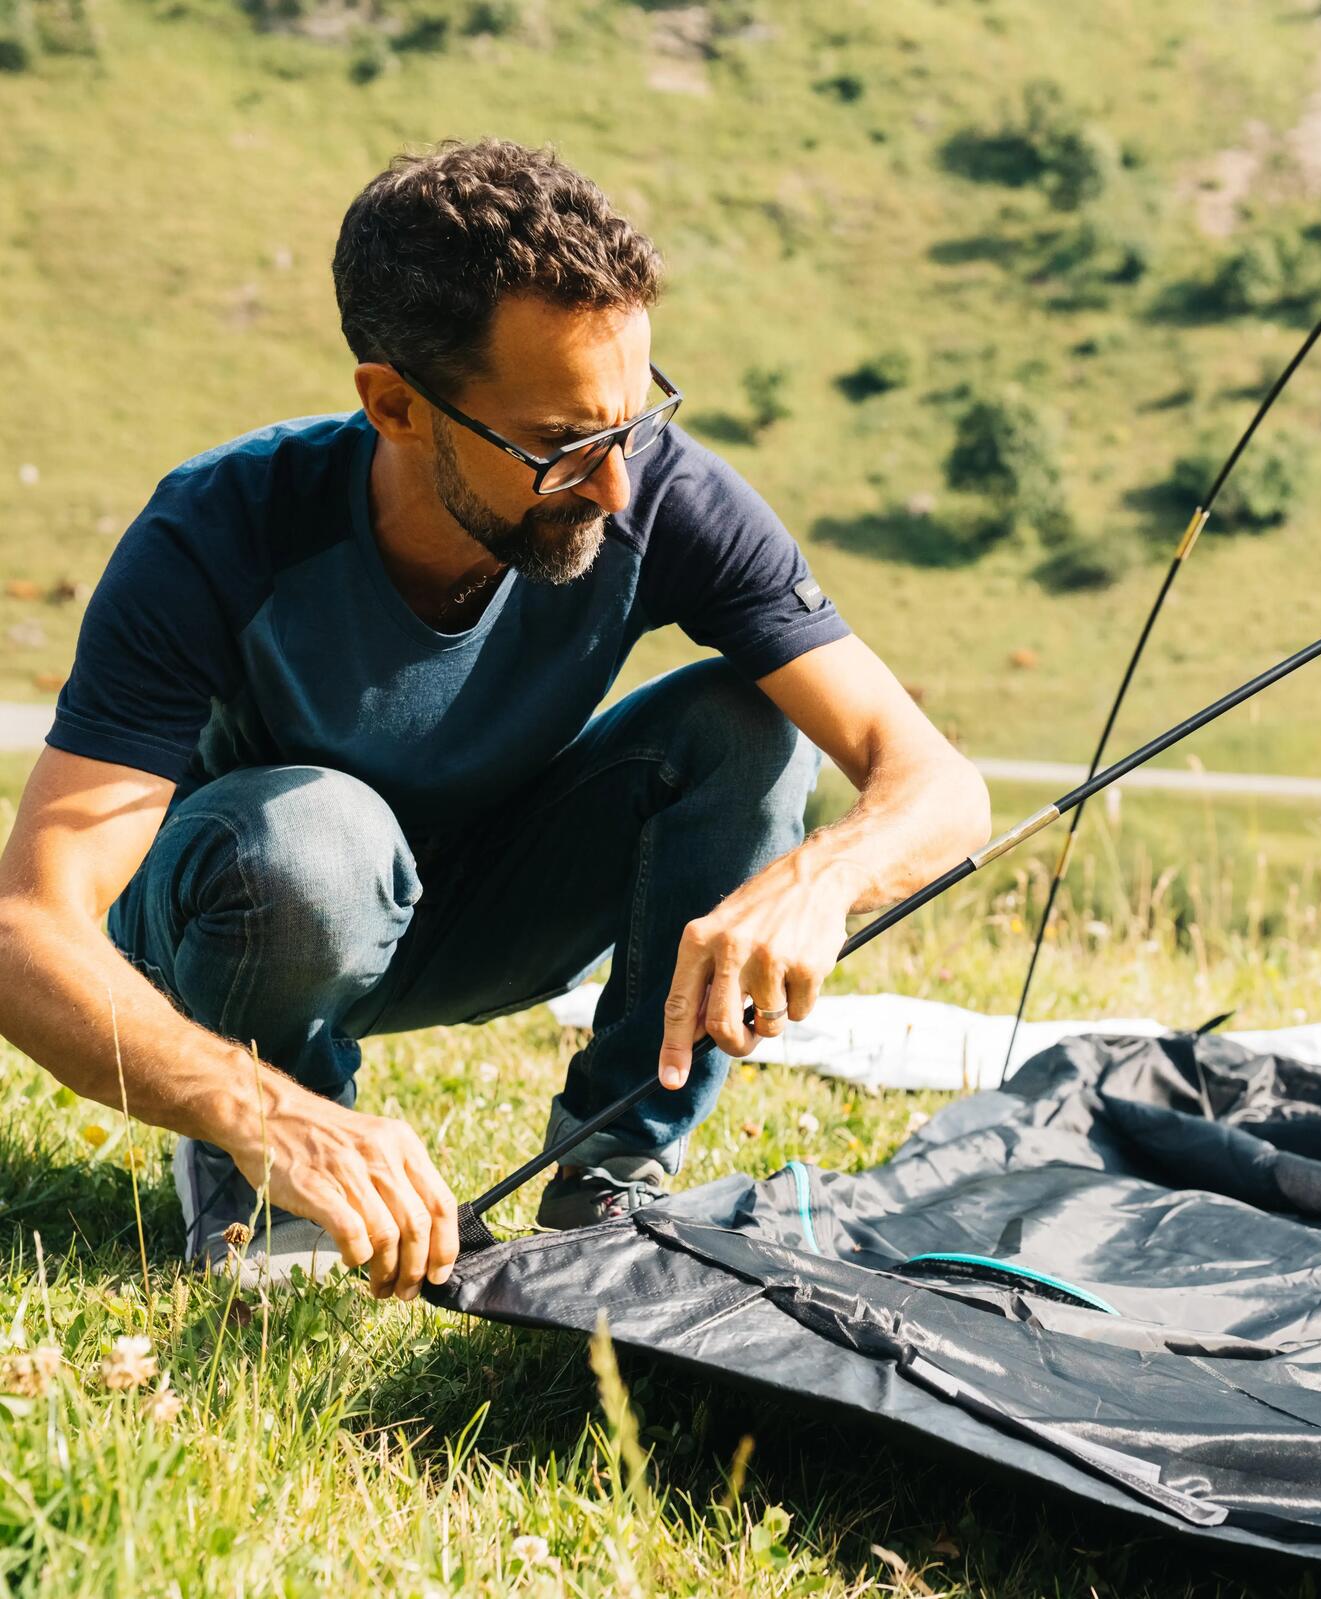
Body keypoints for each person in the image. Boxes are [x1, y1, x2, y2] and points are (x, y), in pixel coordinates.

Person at [0, 139, 989, 1301]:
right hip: (254, 912)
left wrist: (824, 876)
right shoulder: (219, 531)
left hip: (487, 909)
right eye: (563, 443)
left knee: (747, 726)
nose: (615, 483)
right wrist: (262, 1111)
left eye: (633, 419)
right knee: (318, 834)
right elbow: (26, 931)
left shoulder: (653, 486)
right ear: (396, 405)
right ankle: (265, 1165)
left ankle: (612, 1167)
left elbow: (938, 786)